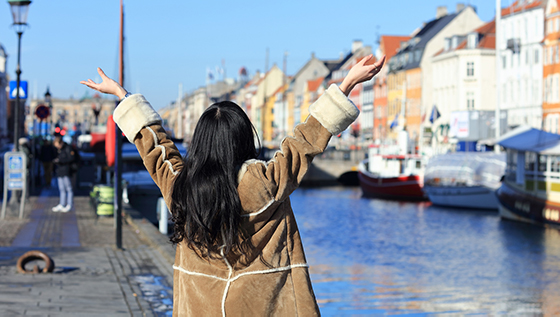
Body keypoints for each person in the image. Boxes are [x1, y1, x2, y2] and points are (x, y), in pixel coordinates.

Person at [81, 54, 385, 316]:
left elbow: (156, 148)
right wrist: (345, 85)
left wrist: (124, 96)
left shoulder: (182, 189)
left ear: (200, 143)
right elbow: (304, 142)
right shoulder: (266, 185)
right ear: (243, 140)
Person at [52, 135, 75, 212]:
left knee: (68, 188)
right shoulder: (60, 150)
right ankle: (62, 204)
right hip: (60, 171)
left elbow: (71, 158)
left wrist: (61, 161)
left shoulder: (67, 148)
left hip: (66, 171)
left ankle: (69, 204)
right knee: (62, 188)